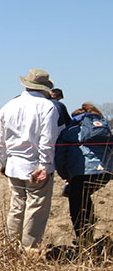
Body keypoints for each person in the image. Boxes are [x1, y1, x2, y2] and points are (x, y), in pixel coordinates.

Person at [0, 68, 62, 250]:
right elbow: (47, 139)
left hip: (13, 164)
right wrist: (44, 165)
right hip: (35, 165)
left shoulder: (8, 106)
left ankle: (10, 247)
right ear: (44, 87)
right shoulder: (47, 107)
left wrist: (2, 161)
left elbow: (1, 139)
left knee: (16, 206)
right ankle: (29, 249)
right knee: (36, 209)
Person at [56, 103, 113, 245]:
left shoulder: (72, 130)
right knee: (85, 197)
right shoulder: (104, 127)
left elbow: (60, 155)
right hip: (105, 172)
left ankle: (83, 238)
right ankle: (88, 231)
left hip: (82, 172)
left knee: (77, 203)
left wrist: (64, 175)